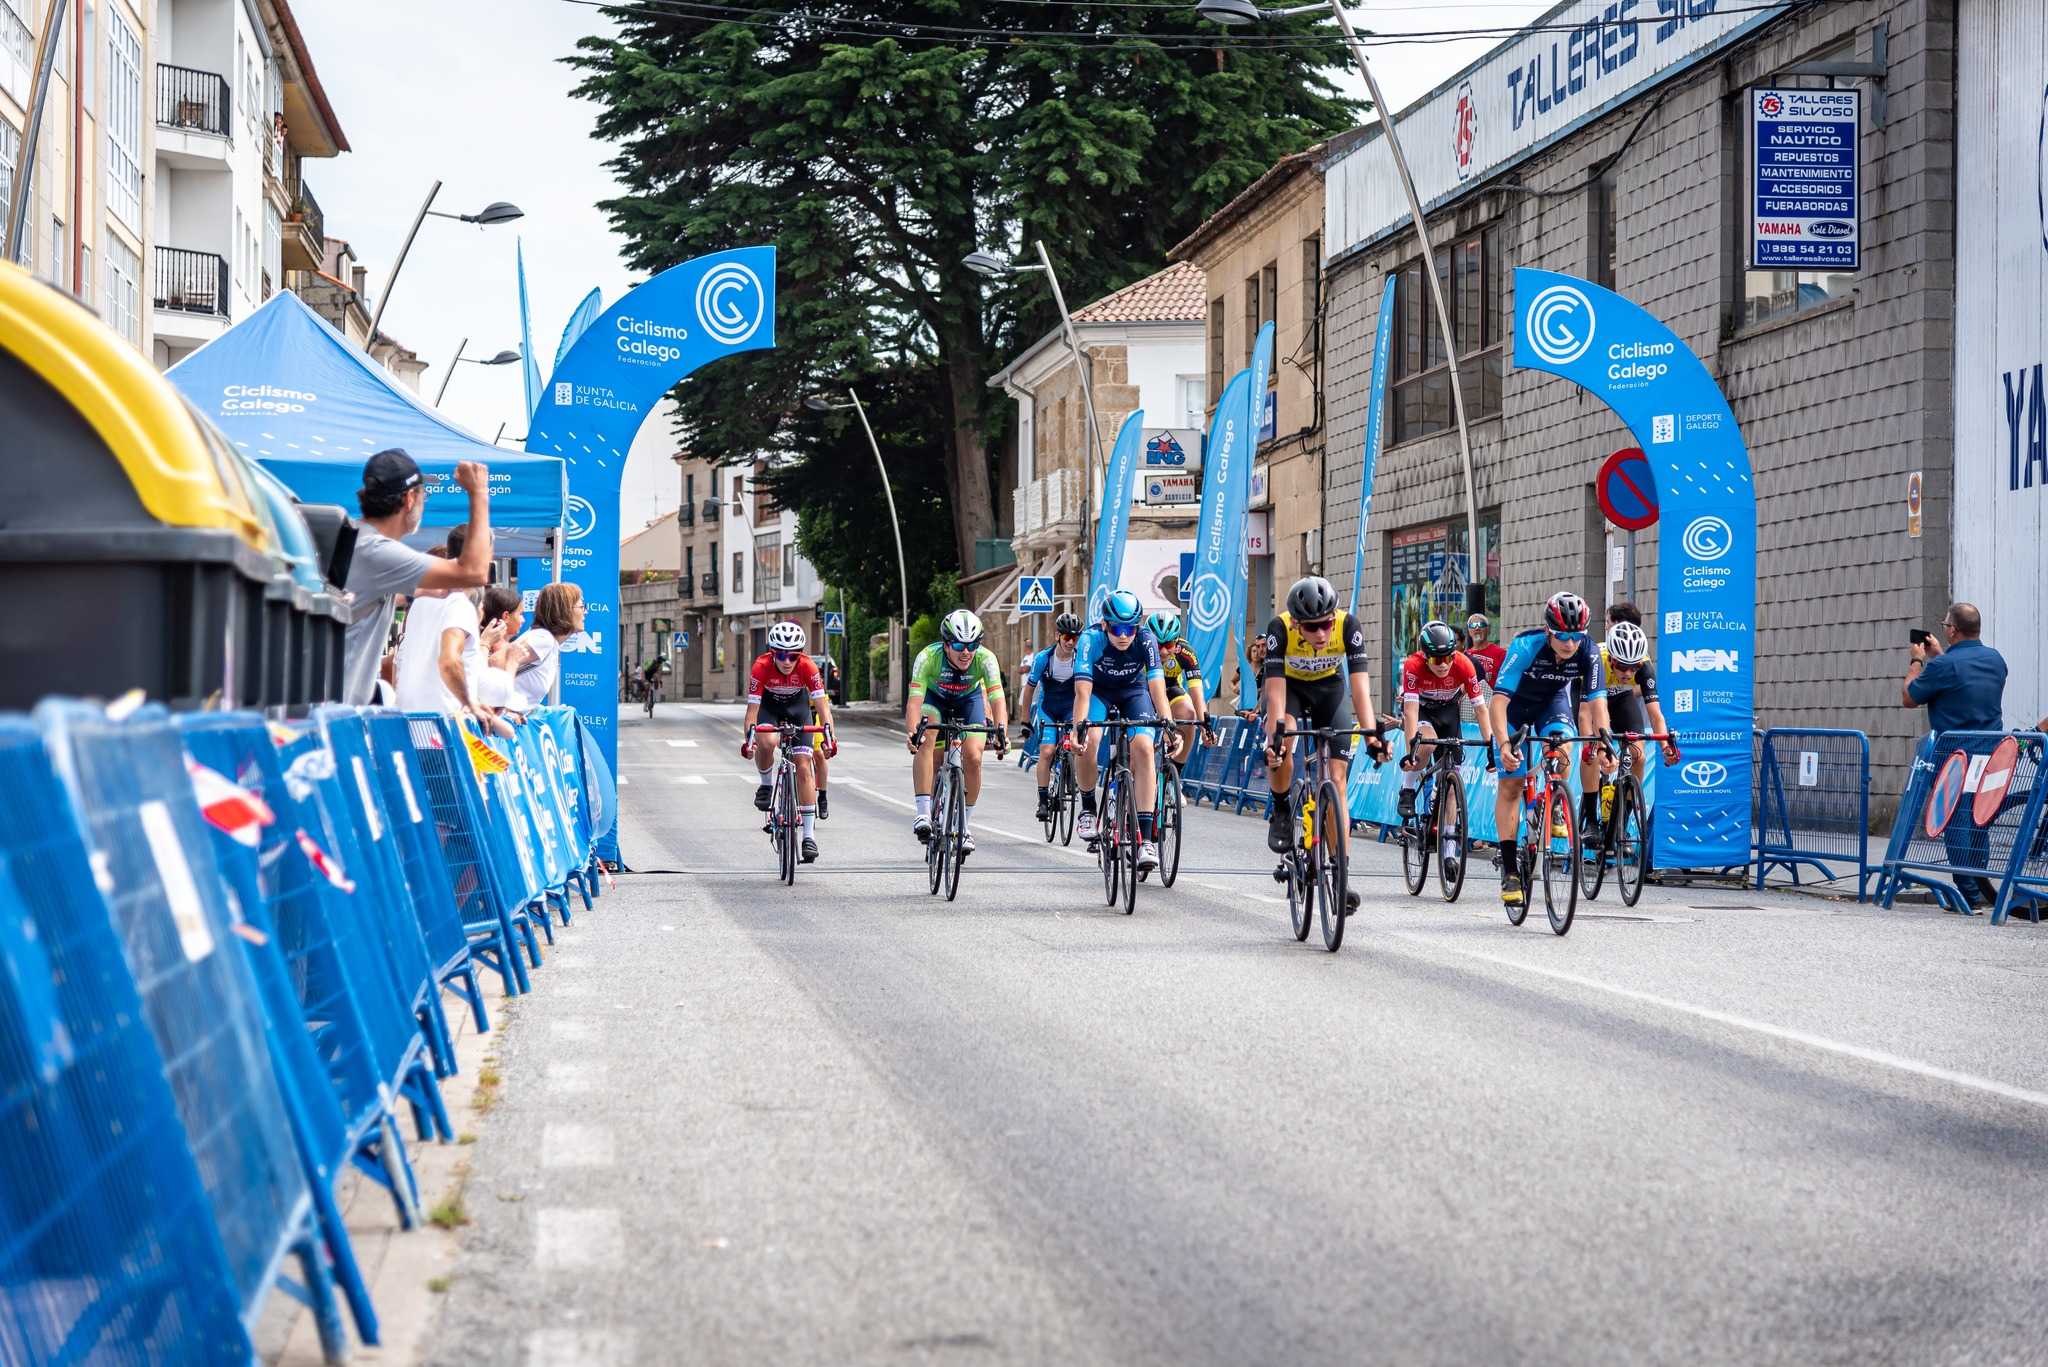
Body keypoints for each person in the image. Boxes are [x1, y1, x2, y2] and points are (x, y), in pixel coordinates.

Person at [1259, 576, 1387, 910]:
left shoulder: (1348, 625)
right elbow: (1274, 693)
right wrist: (1275, 738)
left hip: (1330, 690)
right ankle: (1283, 807)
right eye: (1312, 627)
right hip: (1290, 690)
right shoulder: (1279, 628)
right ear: (1298, 624)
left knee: (1337, 780)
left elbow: (1360, 688)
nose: (1321, 634)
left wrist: (1371, 733)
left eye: (1325, 625)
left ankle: (1340, 875)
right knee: (1282, 737)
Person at [1489, 591, 1614, 912]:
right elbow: (1498, 703)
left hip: (1551, 706)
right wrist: (1503, 743)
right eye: (1563, 636)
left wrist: (1606, 742)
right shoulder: (1525, 647)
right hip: (1515, 711)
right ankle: (1510, 870)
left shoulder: (1588, 652)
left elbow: (1598, 704)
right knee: (1512, 785)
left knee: (1564, 743)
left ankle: (1555, 801)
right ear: (1548, 631)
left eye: (1576, 636)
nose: (1570, 643)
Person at [343, 451, 492, 705]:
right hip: (335, 714)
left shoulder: (355, 540)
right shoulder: (378, 552)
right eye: (425, 495)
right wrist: (478, 494)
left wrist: (414, 593)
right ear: (410, 498)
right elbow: (474, 573)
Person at [1904, 602, 2008, 910]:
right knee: (1979, 819)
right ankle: (1980, 885)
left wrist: (1917, 662)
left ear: (1952, 630)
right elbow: (1964, 682)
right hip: (1990, 755)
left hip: (1955, 755)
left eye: (1946, 624)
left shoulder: (1942, 666)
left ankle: (1967, 895)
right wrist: (1941, 656)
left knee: (1955, 820)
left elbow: (1909, 697)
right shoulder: (1995, 660)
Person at [1071, 590, 1177, 872]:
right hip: (1098, 692)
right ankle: (1088, 808)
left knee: (1143, 747)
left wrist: (1167, 723)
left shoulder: (1146, 640)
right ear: (1105, 624)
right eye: (1117, 628)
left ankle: (1145, 840)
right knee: (1090, 739)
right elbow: (1082, 692)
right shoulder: (1090, 640)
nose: (1123, 635)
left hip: (1133, 691)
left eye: (1129, 628)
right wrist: (1077, 728)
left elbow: (1157, 688)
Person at [905, 609, 1009, 851]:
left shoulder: (986, 659)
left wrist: (1001, 730)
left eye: (972, 645)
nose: (966, 652)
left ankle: (964, 827)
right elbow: (914, 702)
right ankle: (923, 813)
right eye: (959, 645)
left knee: (973, 756)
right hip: (935, 698)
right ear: (946, 643)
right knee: (926, 739)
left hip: (968, 699)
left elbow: (998, 699)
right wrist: (912, 732)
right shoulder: (928, 657)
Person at [741, 621, 837, 863]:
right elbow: (752, 711)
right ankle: (765, 785)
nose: (787, 661)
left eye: (793, 655)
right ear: (772, 653)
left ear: (800, 655)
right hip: (769, 708)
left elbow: (824, 709)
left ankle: (808, 836)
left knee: (804, 763)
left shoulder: (808, 666)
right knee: (767, 742)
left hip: (798, 708)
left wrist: (829, 738)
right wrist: (749, 740)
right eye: (781, 655)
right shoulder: (761, 667)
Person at [1397, 620, 1495, 823]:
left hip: (1449, 711)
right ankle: (1407, 789)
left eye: (1448, 658)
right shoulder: (1413, 665)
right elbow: (1411, 711)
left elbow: (1480, 709)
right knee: (1427, 743)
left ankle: (1449, 851)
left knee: (1450, 788)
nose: (1443, 665)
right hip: (1424, 710)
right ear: (1425, 656)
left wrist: (1490, 746)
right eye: (1436, 659)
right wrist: (1410, 751)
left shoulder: (1464, 664)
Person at [1598, 607, 1681, 818]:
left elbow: (1655, 714)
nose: (1628, 673)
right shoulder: (1598, 659)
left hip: (1620, 698)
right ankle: (1591, 810)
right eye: (1622, 667)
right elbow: (1588, 714)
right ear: (1611, 660)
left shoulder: (1645, 667)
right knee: (1593, 749)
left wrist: (1665, 746)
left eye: (1633, 668)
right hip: (1593, 700)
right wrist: (1599, 744)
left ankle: (1624, 817)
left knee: (1639, 756)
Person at [1015, 612, 1084, 823]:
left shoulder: (1081, 656)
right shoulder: (1043, 658)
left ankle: (1071, 773)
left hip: (1071, 707)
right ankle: (1043, 800)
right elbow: (1029, 691)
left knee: (1077, 746)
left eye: (1075, 638)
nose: (1071, 642)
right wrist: (1025, 721)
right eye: (1066, 637)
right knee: (1046, 751)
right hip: (1049, 708)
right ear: (1057, 636)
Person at [499, 583, 583, 713]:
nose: (585, 612)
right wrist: (506, 711)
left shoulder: (545, 640)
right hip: (498, 723)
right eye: (582, 607)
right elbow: (493, 662)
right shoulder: (542, 640)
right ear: (564, 610)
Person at [1148, 610, 1215, 767]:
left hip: (1170, 688)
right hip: (1143, 690)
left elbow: (1197, 693)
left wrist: (1205, 725)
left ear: (1177, 640)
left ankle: (1174, 778)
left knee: (1189, 714)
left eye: (1169, 644)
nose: (1163, 651)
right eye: (1158, 644)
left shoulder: (1185, 652)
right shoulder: (1140, 648)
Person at [1465, 613, 1506, 689]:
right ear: (1469, 631)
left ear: (1488, 629)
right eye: (1473, 625)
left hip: (1492, 698)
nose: (1477, 628)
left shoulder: (1500, 653)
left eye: (1481, 625)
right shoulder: (1465, 656)